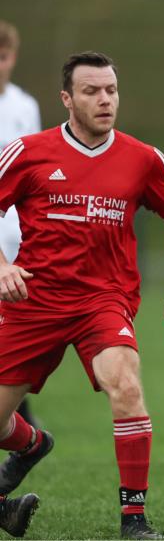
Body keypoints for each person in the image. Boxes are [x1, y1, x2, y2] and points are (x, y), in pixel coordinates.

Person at [0, 51, 164, 540]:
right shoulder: (27, 152)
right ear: (67, 99)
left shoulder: (143, 159)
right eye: (91, 91)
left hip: (103, 301)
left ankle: (134, 518)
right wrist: (2, 267)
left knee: (126, 386)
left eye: (111, 90)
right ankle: (31, 444)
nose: (105, 99)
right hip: (34, 300)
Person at [0, 21, 42, 430]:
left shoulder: (24, 106)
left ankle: (21, 423)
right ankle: (24, 426)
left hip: (12, 240)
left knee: (12, 336)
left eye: (2, 56)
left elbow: (37, 171)